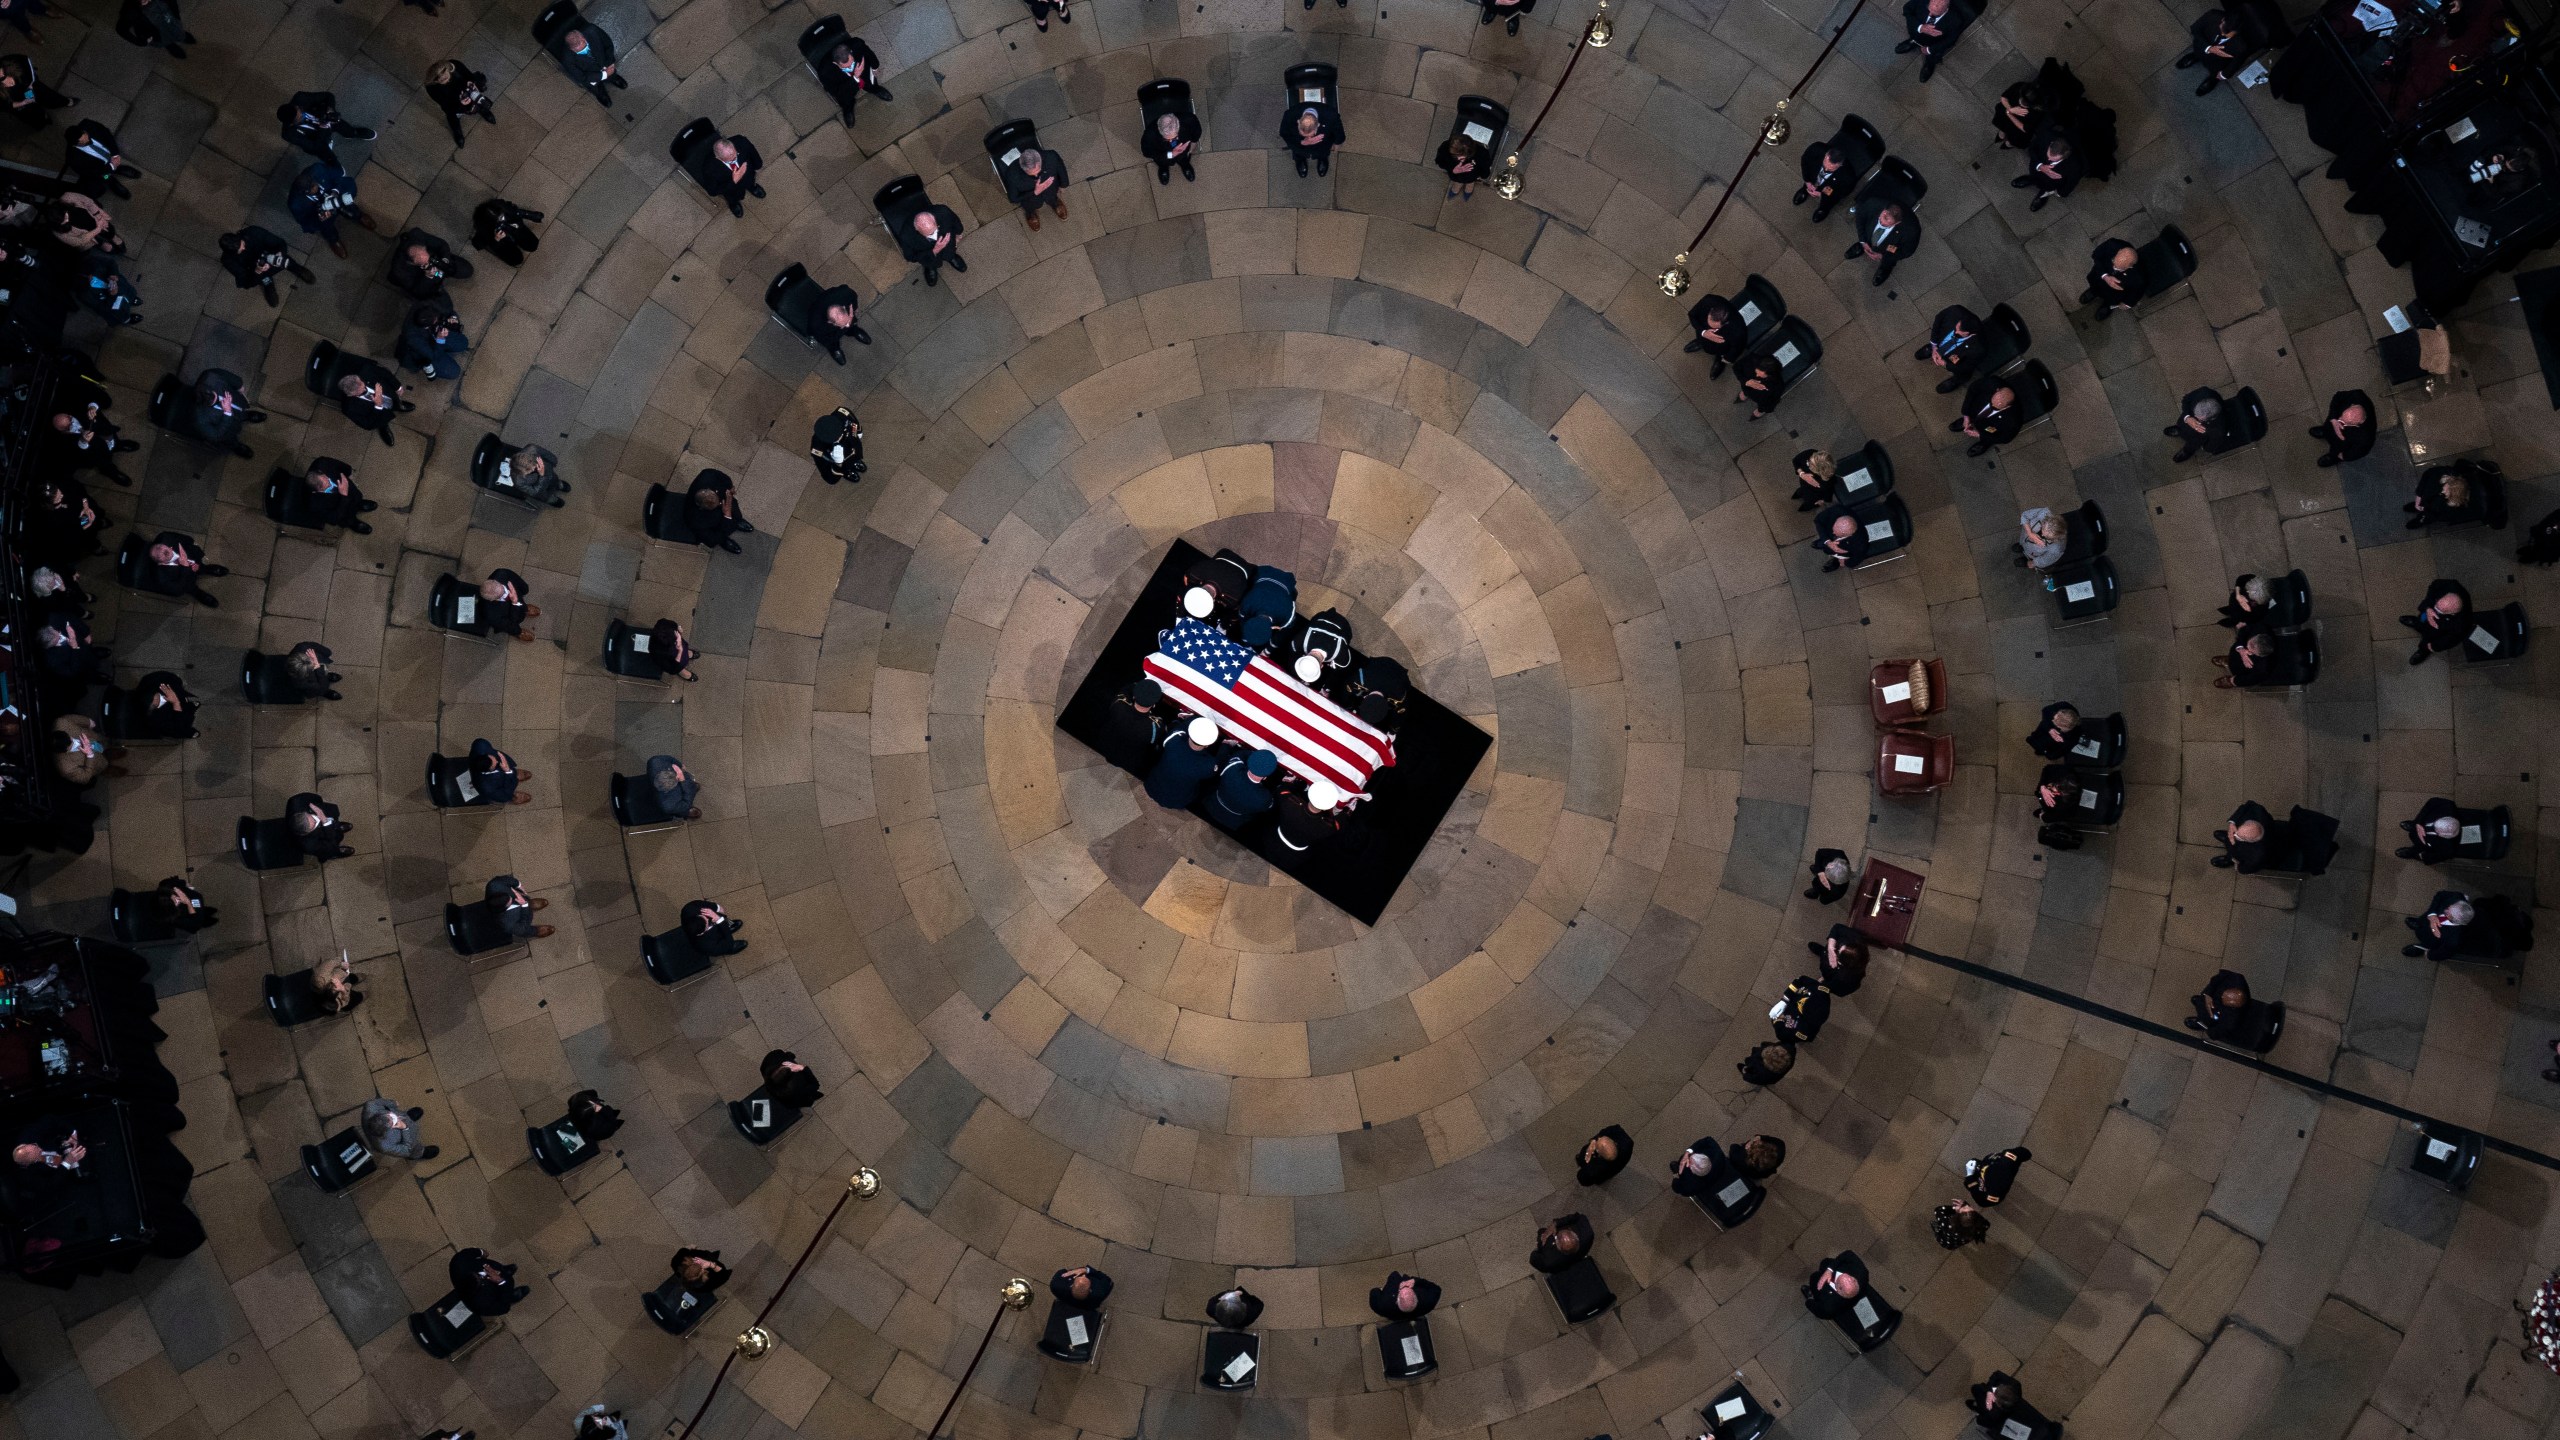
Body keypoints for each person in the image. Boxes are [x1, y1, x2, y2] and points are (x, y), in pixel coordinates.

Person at [45, 385, 138, 486]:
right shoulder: (62, 441)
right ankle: (112, 472)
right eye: (68, 426)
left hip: (103, 431)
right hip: (96, 452)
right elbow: (77, 455)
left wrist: (92, 408)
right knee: (98, 458)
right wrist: (83, 441)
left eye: (70, 419)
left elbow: (92, 400)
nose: (73, 424)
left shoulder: (75, 407)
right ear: (63, 431)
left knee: (105, 430)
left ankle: (117, 445)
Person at [288, 163, 375, 260]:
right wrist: (320, 217)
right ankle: (334, 240)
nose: (315, 187)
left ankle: (358, 215)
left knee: (347, 203)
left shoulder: (318, 169)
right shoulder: (295, 203)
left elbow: (339, 175)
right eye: (312, 188)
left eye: (314, 184)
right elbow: (305, 223)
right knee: (326, 227)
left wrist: (335, 192)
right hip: (321, 214)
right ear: (305, 193)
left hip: (335, 196)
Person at [220, 227, 312, 308]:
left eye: (242, 244)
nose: (244, 248)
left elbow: (279, 243)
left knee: (287, 261)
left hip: (271, 257)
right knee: (264, 279)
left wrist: (279, 254)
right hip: (257, 270)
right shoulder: (228, 261)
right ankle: (269, 285)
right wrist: (257, 271)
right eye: (240, 250)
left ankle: (296, 268)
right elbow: (246, 282)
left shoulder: (252, 232)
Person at [277, 91, 374, 166]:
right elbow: (313, 147)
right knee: (325, 154)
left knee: (345, 128)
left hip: (325, 118)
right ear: (292, 122)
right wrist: (323, 130)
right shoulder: (288, 134)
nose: (302, 113)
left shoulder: (300, 98)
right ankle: (334, 165)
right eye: (300, 117)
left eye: (299, 110)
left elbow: (328, 96)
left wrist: (330, 109)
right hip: (316, 139)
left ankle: (353, 133)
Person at [1147, 717, 1222, 809]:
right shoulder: (1208, 765)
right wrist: (1225, 747)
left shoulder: (1173, 741)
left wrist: (1193, 718)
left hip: (1153, 786)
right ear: (1207, 745)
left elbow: (1181, 727)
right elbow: (1213, 771)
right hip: (1178, 800)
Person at [334, 363, 412, 446]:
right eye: (361, 391)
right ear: (352, 395)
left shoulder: (367, 370)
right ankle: (383, 427)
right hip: (378, 415)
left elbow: (385, 373)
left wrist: (398, 387)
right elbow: (368, 425)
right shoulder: (349, 408)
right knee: (381, 421)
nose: (365, 389)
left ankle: (398, 405)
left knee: (395, 401)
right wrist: (377, 406)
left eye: (363, 385)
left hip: (390, 395)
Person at [143, 530, 228, 607]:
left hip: (193, 560)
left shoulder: (166, 537)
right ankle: (198, 593)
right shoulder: (160, 577)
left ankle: (206, 569)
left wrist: (199, 555)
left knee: (201, 566)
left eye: (159, 547)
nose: (162, 551)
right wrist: (185, 567)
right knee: (190, 588)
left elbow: (188, 540)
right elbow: (178, 590)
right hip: (185, 580)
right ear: (160, 562)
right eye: (158, 555)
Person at [688, 134, 765, 218]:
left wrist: (758, 165)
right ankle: (734, 204)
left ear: (732, 145)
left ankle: (752, 187)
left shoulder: (741, 141)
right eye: (730, 160)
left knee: (750, 181)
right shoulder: (709, 169)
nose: (734, 159)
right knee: (732, 198)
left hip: (749, 176)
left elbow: (754, 155)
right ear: (718, 157)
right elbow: (713, 191)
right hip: (731, 190)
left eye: (735, 154)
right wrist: (733, 181)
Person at [816, 37, 891, 123]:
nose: (851, 68)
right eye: (846, 67)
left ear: (851, 52)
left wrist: (875, 67)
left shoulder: (857, 45)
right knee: (846, 101)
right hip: (845, 86)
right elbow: (838, 93)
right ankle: (848, 110)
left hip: (864, 73)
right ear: (835, 63)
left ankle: (875, 89)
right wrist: (855, 78)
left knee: (872, 82)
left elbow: (869, 53)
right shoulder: (825, 72)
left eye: (851, 63)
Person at [2399, 578, 2472, 666]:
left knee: (2428, 638)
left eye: (2440, 610)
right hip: (2427, 614)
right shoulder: (2450, 585)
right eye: (2437, 604)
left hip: (2438, 630)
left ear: (2452, 613)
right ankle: (2417, 623)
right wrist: (2428, 608)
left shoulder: (2462, 623)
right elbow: (2434, 586)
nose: (2435, 609)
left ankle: (2423, 651)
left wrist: (2434, 646)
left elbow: (2452, 639)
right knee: (2422, 618)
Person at [550, 23, 626, 107]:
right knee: (594, 87)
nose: (583, 49)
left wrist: (608, 63)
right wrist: (604, 74)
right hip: (590, 76)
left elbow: (608, 44)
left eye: (584, 45)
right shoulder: (567, 59)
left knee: (611, 73)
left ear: (583, 37)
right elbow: (582, 77)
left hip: (603, 62)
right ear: (571, 49)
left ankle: (613, 77)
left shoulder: (592, 30)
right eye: (579, 51)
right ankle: (600, 93)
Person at [387, 230, 474, 302]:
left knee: (467, 270)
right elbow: (417, 290)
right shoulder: (399, 269)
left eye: (428, 258)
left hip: (440, 261)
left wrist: (444, 261)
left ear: (423, 248)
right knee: (433, 304)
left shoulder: (416, 235)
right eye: (425, 263)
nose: (429, 263)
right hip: (423, 280)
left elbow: (442, 244)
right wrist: (428, 277)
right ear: (414, 262)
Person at [2179, 9, 2252, 95]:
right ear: (2223, 20)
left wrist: (2223, 74)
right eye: (2222, 29)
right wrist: (2208, 48)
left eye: (2227, 34)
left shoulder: (2241, 46)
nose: (2222, 34)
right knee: (2198, 52)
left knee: (2216, 72)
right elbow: (2195, 29)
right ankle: (2195, 56)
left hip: (2218, 62)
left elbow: (2236, 62)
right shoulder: (2212, 16)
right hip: (2201, 48)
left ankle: (2213, 79)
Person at [1845, 201, 1918, 287]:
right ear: (1884, 210)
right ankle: (1862, 245)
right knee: (1867, 237)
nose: (1881, 223)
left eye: (1885, 224)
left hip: (1889, 250)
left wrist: (1883, 256)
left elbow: (1907, 251)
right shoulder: (1872, 204)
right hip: (1867, 237)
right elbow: (1860, 217)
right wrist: (1863, 241)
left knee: (1889, 260)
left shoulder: (1911, 231)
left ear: (1897, 223)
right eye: (1881, 219)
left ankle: (1885, 267)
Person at [1002, 142, 1070, 230]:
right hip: (1030, 199)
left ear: (1040, 161)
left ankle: (1055, 202)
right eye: (1031, 174)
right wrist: (1034, 192)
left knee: (1052, 196)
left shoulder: (1051, 156)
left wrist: (1064, 185)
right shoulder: (1012, 174)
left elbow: (1062, 171)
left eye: (1038, 171)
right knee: (1030, 206)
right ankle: (1031, 213)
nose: (1036, 176)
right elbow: (1013, 198)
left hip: (1051, 190)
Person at [1914, 305, 1982, 394]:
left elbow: (1966, 366)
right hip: (1940, 343)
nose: (1955, 331)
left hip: (1959, 360)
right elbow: (1938, 319)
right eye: (1956, 327)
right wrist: (1934, 345)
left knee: (1963, 374)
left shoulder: (1979, 348)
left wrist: (1945, 364)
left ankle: (1956, 380)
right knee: (1937, 343)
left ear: (1969, 334)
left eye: (1959, 332)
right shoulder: (1955, 311)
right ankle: (1933, 348)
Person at [897, 201, 966, 286]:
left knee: (949, 250)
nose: (935, 236)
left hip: (949, 244)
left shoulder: (943, 212)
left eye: (936, 229)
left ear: (934, 219)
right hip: (927, 253)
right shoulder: (906, 236)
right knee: (929, 261)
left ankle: (950, 256)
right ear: (917, 230)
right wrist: (934, 251)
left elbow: (955, 221)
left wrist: (958, 233)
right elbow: (910, 257)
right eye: (930, 234)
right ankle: (930, 266)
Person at [1897, 0, 1970, 81]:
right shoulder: (1921, 2)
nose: (1935, 5)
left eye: (1940, 4)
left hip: (1934, 43)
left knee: (1933, 55)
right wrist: (1920, 27)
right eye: (1934, 1)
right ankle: (1914, 42)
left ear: (1946, 9)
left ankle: (1929, 64)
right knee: (1916, 36)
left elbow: (1950, 40)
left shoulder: (1955, 21)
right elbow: (1907, 9)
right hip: (1917, 33)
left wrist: (1930, 50)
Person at [426, 60, 494, 146]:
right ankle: (457, 132)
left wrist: (472, 83)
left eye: (443, 71)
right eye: (436, 77)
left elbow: (469, 75)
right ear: (434, 80)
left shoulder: (455, 65)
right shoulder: (431, 88)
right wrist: (460, 104)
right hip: (453, 104)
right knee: (453, 117)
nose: (442, 76)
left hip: (467, 93)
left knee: (478, 103)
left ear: (447, 67)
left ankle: (483, 111)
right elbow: (446, 105)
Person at [62, 119, 136, 198]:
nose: (88, 140)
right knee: (106, 177)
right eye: (83, 142)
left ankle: (119, 169)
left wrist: (115, 154)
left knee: (116, 166)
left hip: (110, 156)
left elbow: (107, 134)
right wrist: (111, 166)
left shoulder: (88, 124)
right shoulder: (73, 159)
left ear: (84, 131)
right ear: (74, 145)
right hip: (102, 171)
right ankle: (113, 183)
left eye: (86, 136)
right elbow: (92, 173)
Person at [1097, 677, 1170, 756]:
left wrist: (1141, 686)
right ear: (1154, 705)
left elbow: (1125, 690)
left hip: (1108, 744)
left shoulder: (1118, 704)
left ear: (1134, 696)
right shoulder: (1156, 727)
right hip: (1130, 756)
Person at [686, 468, 752, 553]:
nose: (721, 504)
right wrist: (727, 515)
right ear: (701, 508)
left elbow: (724, 478)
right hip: (714, 522)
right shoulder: (695, 520)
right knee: (720, 532)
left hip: (724, 497)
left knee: (736, 513)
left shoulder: (707, 476)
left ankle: (736, 521)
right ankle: (724, 541)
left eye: (719, 502)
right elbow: (712, 540)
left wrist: (729, 489)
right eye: (718, 505)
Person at [1970, 1373, 2055, 1439]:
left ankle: (1977, 1404)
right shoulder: (2015, 1386)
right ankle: (1977, 1405)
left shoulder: (2046, 1428)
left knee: (1979, 1392)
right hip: (2005, 1421)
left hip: (2001, 1412)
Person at [398, 303, 470, 381]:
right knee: (454, 372)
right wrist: (439, 339)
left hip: (434, 336)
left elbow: (448, 310)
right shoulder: (413, 338)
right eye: (435, 322)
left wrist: (452, 318)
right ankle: (437, 361)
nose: (437, 321)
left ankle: (445, 350)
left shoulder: (427, 306)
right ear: (426, 327)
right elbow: (432, 354)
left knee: (463, 343)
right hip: (428, 350)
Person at [1684, 294, 1749, 378]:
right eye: (1708, 320)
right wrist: (1703, 332)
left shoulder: (1739, 330)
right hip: (1701, 335)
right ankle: (1700, 342)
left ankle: (1719, 361)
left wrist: (1726, 359)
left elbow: (1737, 348)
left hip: (1720, 347)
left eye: (1714, 327)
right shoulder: (1708, 300)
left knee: (1721, 354)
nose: (1709, 327)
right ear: (1711, 310)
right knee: (1702, 338)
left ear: (1725, 323)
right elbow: (1692, 315)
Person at [2015, 130, 2082, 211]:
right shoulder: (2046, 136)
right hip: (2035, 170)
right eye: (2048, 155)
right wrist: (2039, 165)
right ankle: (2031, 179)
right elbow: (2032, 149)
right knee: (2034, 176)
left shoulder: (2074, 165)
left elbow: (2072, 182)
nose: (2048, 159)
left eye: (2053, 159)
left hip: (2051, 183)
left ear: (2065, 157)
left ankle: (2043, 194)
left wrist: (2061, 193)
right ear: (2051, 144)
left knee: (2047, 187)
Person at [1208, 747, 1277, 825]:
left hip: (1213, 803)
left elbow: (1239, 754)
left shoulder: (1232, 769)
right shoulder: (1264, 798)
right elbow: (1270, 807)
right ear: (1265, 777)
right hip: (1233, 821)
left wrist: (1256, 756)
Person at [803, 285, 869, 364]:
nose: (848, 324)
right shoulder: (816, 324)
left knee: (850, 325)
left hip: (830, 303)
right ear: (830, 322)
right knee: (832, 342)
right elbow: (826, 340)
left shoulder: (844, 293)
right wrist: (840, 332)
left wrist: (853, 308)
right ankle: (835, 349)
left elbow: (852, 295)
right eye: (843, 324)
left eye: (846, 321)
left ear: (844, 308)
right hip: (826, 331)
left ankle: (853, 330)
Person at [1952, 377, 2017, 456]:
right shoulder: (1991, 382)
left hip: (1991, 427)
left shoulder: (2013, 419)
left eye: (1998, 406)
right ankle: (1970, 419)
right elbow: (1972, 389)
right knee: (1972, 413)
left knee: (1990, 434)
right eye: (1993, 400)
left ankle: (1984, 443)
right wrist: (1966, 414)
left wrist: (1980, 435)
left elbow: (2005, 438)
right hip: (1976, 410)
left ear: (2007, 407)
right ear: (1997, 391)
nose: (1992, 406)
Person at [1276, 779, 1346, 853]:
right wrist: (1344, 813)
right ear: (1328, 808)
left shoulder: (1289, 803)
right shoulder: (1327, 828)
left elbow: (1283, 789)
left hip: (1281, 833)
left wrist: (1300, 783)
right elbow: (1340, 821)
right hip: (1300, 849)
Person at [2408, 465, 2487, 529]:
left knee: (2426, 516)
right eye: (2444, 487)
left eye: (2446, 493)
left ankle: (2420, 520)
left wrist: (2425, 511)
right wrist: (2419, 495)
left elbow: (2438, 517)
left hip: (2432, 511)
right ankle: (2419, 506)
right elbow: (2429, 473)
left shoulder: (2454, 509)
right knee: (2425, 502)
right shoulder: (2446, 474)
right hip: (2429, 500)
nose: (2442, 491)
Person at [452, 1248, 528, 1315]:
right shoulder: (482, 1304)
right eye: (481, 1278)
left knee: (502, 1270)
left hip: (490, 1266)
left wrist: (481, 1252)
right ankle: (512, 1297)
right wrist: (500, 1281)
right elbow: (503, 1309)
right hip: (499, 1291)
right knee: (505, 1297)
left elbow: (466, 1254)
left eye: (478, 1275)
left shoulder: (458, 1265)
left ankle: (505, 1271)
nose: (484, 1276)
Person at [52, 713, 120, 786]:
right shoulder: (65, 768)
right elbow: (84, 778)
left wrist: (88, 722)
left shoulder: (60, 723)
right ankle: (111, 768)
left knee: (107, 743)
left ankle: (113, 749)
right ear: (65, 750)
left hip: (96, 738)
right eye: (72, 744)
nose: (75, 740)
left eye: (70, 737)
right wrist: (89, 755)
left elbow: (73, 719)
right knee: (107, 766)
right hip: (97, 763)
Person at [125, 671, 198, 739]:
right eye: (153, 702)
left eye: (155, 696)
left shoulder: (148, 682)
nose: (157, 698)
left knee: (186, 703)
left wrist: (178, 685)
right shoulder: (155, 720)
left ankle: (192, 706)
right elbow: (177, 728)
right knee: (183, 730)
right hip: (176, 718)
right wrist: (176, 703)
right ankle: (190, 733)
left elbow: (169, 677)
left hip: (179, 697)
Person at [2081, 238, 2145, 314]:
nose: (2114, 267)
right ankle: (2093, 291)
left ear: (2130, 267)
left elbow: (2137, 292)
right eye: (2114, 260)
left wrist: (2128, 304)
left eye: (2118, 268)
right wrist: (2105, 276)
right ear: (2119, 251)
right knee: (2095, 284)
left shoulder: (2138, 276)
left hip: (2114, 293)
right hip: (2099, 276)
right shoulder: (2111, 244)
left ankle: (2107, 305)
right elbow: (2096, 255)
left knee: (2112, 298)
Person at [2186, 969, 2255, 1040]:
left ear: (2232, 1007)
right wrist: (2207, 994)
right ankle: (2201, 1002)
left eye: (2224, 999)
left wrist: (2206, 1024)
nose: (2221, 996)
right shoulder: (2237, 979)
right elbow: (2218, 978)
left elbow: (2214, 1033)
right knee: (2199, 999)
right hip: (2213, 1001)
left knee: (2207, 1017)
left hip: (2217, 1015)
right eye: (2223, 994)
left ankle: (2200, 1022)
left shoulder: (2231, 1021)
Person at [360, 1098, 438, 1160]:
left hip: (398, 1121)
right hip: (404, 1140)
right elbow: (406, 1150)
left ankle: (408, 1117)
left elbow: (380, 1102)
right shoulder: (384, 1146)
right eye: (393, 1121)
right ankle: (419, 1153)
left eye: (390, 1115)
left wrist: (393, 1103)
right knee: (413, 1148)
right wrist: (405, 1128)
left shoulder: (370, 1106)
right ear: (387, 1130)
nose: (396, 1118)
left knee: (404, 1116)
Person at [1802, 1252, 1872, 1321]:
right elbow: (1848, 1254)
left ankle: (1811, 1292)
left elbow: (1821, 1313)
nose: (1848, 1276)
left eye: (1839, 1277)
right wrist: (1830, 1270)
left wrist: (1809, 1302)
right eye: (1850, 1278)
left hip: (1818, 1287)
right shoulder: (1862, 1273)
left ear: (1838, 1289)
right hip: (1830, 1266)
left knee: (1814, 1278)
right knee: (1825, 1263)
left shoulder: (1829, 1306)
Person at [1281, 102, 1343, 179]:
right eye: (1304, 135)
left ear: (1318, 125)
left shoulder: (1331, 115)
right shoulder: (1289, 115)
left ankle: (1322, 158)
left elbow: (1339, 133)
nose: (1309, 138)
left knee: (1324, 149)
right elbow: (1284, 133)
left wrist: (1337, 143)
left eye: (1311, 134)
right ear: (1298, 122)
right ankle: (1300, 159)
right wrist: (1301, 142)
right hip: (1299, 145)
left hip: (1323, 145)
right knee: (1298, 151)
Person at [472, 199, 543, 266]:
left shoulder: (504, 208)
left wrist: (532, 216)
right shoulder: (485, 228)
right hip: (504, 242)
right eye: (498, 222)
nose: (502, 221)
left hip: (515, 230)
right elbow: (492, 244)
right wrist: (497, 239)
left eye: (501, 217)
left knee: (532, 245)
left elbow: (517, 212)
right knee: (516, 260)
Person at [2310, 391, 2374, 467]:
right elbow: (2337, 396)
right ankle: (2326, 431)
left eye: (2344, 422)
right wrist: (2333, 418)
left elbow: (2360, 451)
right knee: (2329, 427)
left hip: (2343, 443)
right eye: (2342, 416)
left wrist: (2344, 456)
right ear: (2352, 405)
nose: (2339, 420)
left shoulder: (2365, 436)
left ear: (2359, 423)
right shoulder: (2356, 395)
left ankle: (2333, 457)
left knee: (2337, 448)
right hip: (2331, 424)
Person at [2403, 892, 2472, 960]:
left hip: (2431, 940)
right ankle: (2419, 923)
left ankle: (2421, 948)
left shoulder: (2454, 939)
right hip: (2425, 920)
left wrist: (2430, 955)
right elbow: (2440, 895)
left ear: (2455, 920)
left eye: (2448, 912)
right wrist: (2432, 914)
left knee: (2429, 942)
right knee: (2422, 923)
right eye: (2451, 906)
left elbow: (2445, 952)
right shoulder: (2457, 897)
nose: (2446, 908)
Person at [2166, 387, 2228, 462]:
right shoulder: (2204, 392)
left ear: (2211, 418)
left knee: (2194, 442)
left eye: (2199, 418)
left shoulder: (2218, 429)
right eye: (2195, 413)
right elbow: (2185, 400)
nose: (2195, 417)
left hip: (2199, 436)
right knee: (2182, 424)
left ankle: (2187, 451)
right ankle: (2180, 430)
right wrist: (2187, 417)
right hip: (2186, 420)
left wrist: (2204, 447)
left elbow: (2210, 446)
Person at [478, 568, 540, 641]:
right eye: (502, 594)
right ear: (491, 600)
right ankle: (519, 632)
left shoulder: (501, 573)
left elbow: (519, 582)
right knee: (513, 627)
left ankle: (524, 608)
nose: (507, 593)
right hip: (509, 615)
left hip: (516, 599)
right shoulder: (491, 614)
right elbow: (512, 623)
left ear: (495, 581)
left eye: (503, 589)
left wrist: (524, 590)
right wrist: (515, 603)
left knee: (522, 600)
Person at [1797, 141, 1854, 220]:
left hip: (1830, 188)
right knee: (1811, 178)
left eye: (1830, 169)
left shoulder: (1847, 177)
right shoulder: (1816, 149)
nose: (1825, 169)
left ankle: (1823, 209)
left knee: (1828, 202)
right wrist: (1807, 181)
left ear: (1840, 165)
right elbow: (1805, 162)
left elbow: (1841, 193)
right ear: (1826, 155)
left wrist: (1822, 195)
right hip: (1812, 177)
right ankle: (1805, 190)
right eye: (1824, 165)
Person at [2397, 797, 2465, 863]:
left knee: (2421, 849)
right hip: (2423, 822)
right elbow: (2432, 802)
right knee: (2420, 821)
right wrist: (2418, 822)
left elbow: (2433, 857)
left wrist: (2420, 855)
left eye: (2436, 830)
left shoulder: (2449, 848)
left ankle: (2411, 852)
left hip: (2427, 843)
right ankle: (2414, 825)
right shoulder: (2448, 806)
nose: (2432, 828)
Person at [465, 739, 529, 806]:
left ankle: (514, 773)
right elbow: (506, 796)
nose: (497, 761)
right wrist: (508, 771)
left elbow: (485, 745)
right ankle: (514, 777)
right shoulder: (488, 788)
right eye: (495, 762)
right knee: (506, 795)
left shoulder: (480, 745)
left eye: (492, 757)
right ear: (491, 769)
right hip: (487, 784)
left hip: (479, 771)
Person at [2212, 800, 2273, 871]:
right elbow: (2248, 804)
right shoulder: (2258, 810)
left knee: (2235, 854)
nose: (2234, 835)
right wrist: (2232, 822)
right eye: (2238, 830)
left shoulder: (2257, 855)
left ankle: (2229, 859)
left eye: (2239, 837)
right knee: (2231, 839)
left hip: (2240, 854)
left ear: (2251, 841)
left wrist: (2239, 868)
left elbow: (2249, 867)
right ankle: (2227, 840)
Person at [288, 791, 353, 858]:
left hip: (324, 814)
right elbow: (330, 844)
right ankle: (337, 852)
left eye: (311, 816)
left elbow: (316, 798)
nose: (318, 818)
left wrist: (317, 806)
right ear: (306, 833)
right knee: (331, 849)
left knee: (334, 819)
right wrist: (326, 823)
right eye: (315, 823)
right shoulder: (309, 845)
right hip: (326, 838)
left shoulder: (296, 802)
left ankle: (337, 825)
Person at [501, 443, 567, 508]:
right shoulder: (518, 481)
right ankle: (550, 498)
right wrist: (542, 476)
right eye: (529, 471)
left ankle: (557, 483)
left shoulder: (532, 449)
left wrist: (551, 465)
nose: (533, 469)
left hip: (549, 474)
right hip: (538, 487)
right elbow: (536, 492)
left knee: (553, 478)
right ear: (521, 473)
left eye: (533, 465)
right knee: (543, 496)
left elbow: (552, 458)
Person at [1144, 108, 1200, 185]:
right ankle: (1164, 168)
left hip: (1184, 151)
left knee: (1184, 158)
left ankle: (1185, 165)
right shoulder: (1150, 135)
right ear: (1159, 130)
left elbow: (1197, 131)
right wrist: (1171, 154)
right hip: (1163, 154)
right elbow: (1147, 152)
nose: (1171, 141)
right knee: (1162, 162)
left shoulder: (1189, 120)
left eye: (1174, 137)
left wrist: (1193, 145)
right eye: (1167, 139)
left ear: (1179, 126)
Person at [1991, 76, 2046, 151]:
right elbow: (2004, 97)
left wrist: (2009, 113)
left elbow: (2025, 128)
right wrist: (2010, 109)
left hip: (2018, 127)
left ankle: (2009, 143)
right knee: (2003, 124)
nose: (2021, 102)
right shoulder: (2019, 86)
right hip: (2008, 115)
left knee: (2015, 137)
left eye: (2026, 104)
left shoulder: (2038, 112)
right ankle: (2003, 133)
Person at [487, 874, 551, 938]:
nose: (513, 897)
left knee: (520, 897)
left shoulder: (494, 885)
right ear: (505, 907)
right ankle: (536, 931)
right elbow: (522, 927)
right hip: (522, 919)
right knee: (523, 931)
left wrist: (518, 885)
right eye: (510, 900)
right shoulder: (508, 924)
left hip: (517, 907)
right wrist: (524, 905)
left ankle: (529, 903)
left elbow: (504, 880)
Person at [812, 407, 865, 484]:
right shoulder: (817, 449)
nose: (839, 439)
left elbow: (853, 421)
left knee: (856, 454)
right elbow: (829, 478)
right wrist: (838, 463)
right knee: (846, 465)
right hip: (843, 461)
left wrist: (858, 431)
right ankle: (847, 471)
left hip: (853, 444)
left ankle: (855, 461)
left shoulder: (842, 414)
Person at [1809, 926, 1868, 995]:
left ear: (1841, 963)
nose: (1838, 948)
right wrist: (1830, 945)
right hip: (1828, 956)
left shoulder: (1846, 979)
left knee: (1826, 976)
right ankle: (1822, 952)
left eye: (1839, 951)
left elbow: (1839, 992)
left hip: (1829, 975)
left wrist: (1824, 984)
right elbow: (1837, 928)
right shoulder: (1857, 939)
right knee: (1825, 953)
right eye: (1843, 946)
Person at [1771, 976, 1830, 1043]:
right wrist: (1785, 999)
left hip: (1796, 1028)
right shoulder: (1816, 989)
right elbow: (1800, 980)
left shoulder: (1805, 1029)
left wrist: (1778, 1020)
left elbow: (1784, 1034)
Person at [1963, 1146, 2028, 1207]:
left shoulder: (1993, 1191)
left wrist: (1970, 1176)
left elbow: (1982, 1202)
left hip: (1987, 1185)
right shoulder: (2007, 1160)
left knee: (1967, 1184)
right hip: (1993, 1165)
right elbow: (2024, 1153)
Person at [117, 0, 189, 55]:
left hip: (170, 24)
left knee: (178, 34)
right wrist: (140, 42)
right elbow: (121, 29)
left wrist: (177, 18)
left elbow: (172, 2)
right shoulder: (130, 12)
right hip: (155, 35)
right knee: (162, 42)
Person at [2213, 629, 2277, 690]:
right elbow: (2244, 632)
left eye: (2251, 649)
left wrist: (2234, 681)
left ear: (2258, 655)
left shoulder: (2264, 668)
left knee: (2241, 677)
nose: (2247, 646)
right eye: (2251, 643)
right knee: (2236, 652)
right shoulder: (2260, 629)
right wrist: (2240, 648)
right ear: (2257, 635)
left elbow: (2251, 679)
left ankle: (2230, 680)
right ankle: (2230, 660)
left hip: (2244, 670)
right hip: (2237, 652)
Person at [1528, 1213, 1592, 1273]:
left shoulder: (1548, 1261)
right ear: (1574, 1234)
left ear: (1558, 1246)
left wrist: (1539, 1246)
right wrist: (1556, 1223)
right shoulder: (1587, 1233)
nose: (1555, 1235)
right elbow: (1577, 1216)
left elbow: (1533, 1258)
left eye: (1556, 1237)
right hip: (1577, 1257)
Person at [145, 877, 216, 931]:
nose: (179, 898)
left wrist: (191, 888)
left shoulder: (165, 885)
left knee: (204, 909)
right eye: (176, 902)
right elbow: (195, 924)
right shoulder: (175, 919)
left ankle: (208, 911)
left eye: (174, 896)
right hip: (194, 913)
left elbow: (182, 882)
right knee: (205, 919)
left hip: (195, 899)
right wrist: (188, 903)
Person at [1813, 505, 1868, 572]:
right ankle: (1823, 542)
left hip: (1843, 552)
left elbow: (1858, 557)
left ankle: (1835, 561)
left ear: (1849, 534)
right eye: (1834, 528)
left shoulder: (1861, 542)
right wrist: (1826, 540)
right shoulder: (1837, 510)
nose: (1833, 532)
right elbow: (1818, 520)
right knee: (1824, 540)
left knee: (1837, 554)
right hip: (1826, 537)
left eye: (1837, 534)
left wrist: (1845, 562)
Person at [1736, 350, 1786, 420]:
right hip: (1747, 387)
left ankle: (1759, 410)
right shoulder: (1751, 359)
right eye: (1756, 372)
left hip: (1760, 398)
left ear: (1770, 375)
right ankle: (1745, 393)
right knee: (1746, 389)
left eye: (1761, 375)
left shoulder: (1777, 386)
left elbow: (1772, 402)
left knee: (1764, 404)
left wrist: (1761, 409)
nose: (1756, 375)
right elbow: (1736, 367)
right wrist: (1746, 382)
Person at [648, 755, 701, 819]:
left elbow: (670, 759)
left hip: (655, 780)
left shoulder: (655, 761)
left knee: (690, 787)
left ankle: (692, 787)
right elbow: (686, 803)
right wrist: (683, 780)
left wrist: (679, 765)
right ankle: (686, 812)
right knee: (685, 803)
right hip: (665, 800)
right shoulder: (669, 805)